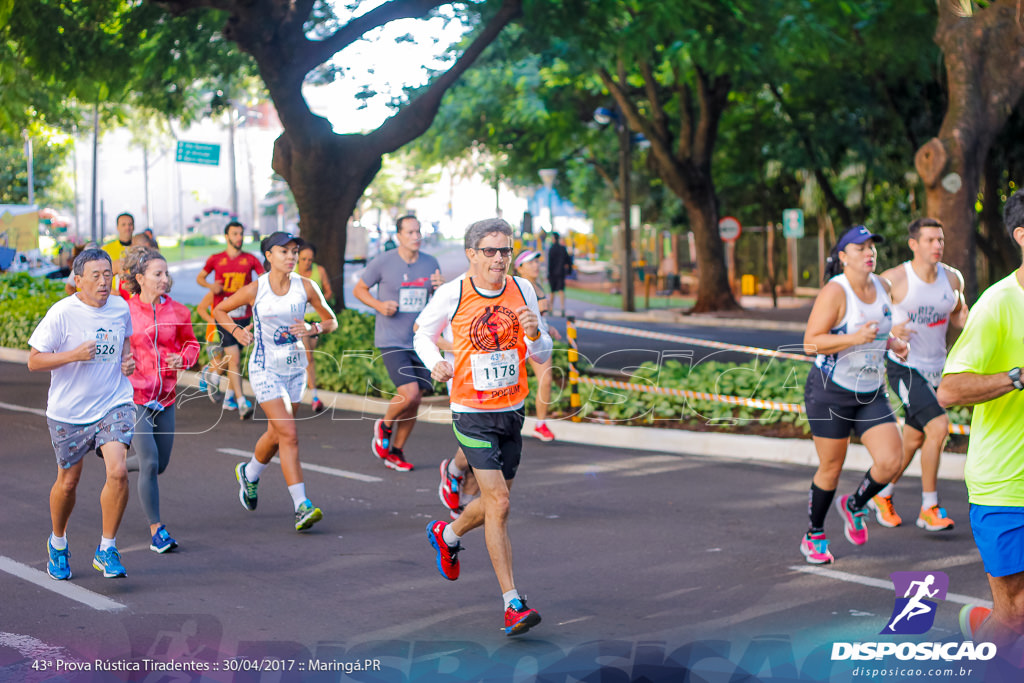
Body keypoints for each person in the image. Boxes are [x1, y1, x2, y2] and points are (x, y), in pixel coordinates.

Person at [414, 217, 553, 637]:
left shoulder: (523, 288)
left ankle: (449, 533)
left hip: (512, 408)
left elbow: (542, 348)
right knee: (501, 503)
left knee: (497, 502)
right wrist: (433, 361)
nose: (499, 259)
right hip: (471, 410)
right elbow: (422, 333)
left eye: (505, 250)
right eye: (490, 251)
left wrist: (534, 335)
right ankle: (513, 603)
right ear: (471, 254)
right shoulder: (452, 292)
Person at [938, 189, 1024, 655]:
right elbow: (950, 390)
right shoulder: (997, 305)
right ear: (1022, 236)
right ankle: (980, 653)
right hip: (1007, 486)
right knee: (1015, 614)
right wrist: (1017, 377)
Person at [213, 232, 338, 532]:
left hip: (295, 370)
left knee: (276, 432)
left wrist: (312, 326)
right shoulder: (257, 289)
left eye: (295, 251)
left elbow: (331, 320)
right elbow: (220, 310)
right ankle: (301, 506)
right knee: (289, 434)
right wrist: (238, 331)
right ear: (269, 256)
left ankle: (250, 473)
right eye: (284, 251)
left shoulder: (306, 286)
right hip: (264, 369)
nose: (292, 257)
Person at [799, 225, 908, 565]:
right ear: (843, 257)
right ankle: (814, 534)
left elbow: (877, 332)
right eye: (860, 248)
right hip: (831, 391)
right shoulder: (836, 291)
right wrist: (853, 339)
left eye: (872, 246)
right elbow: (810, 342)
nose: (868, 252)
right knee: (832, 466)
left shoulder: (884, 286)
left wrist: (893, 343)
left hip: (871, 391)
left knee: (891, 461)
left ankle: (855, 504)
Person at [27, 247, 137, 580]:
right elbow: (34, 360)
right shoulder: (62, 313)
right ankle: (58, 542)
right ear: (78, 281)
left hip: (113, 402)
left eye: (109, 275)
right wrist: (72, 355)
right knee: (68, 482)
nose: (105, 282)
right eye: (96, 276)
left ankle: (107, 548)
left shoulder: (120, 307)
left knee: (118, 471)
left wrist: (127, 362)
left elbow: (126, 345)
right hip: (69, 412)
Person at [870, 218, 968, 531]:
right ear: (914, 244)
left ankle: (879, 493)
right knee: (938, 427)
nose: (937, 245)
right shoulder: (894, 279)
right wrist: (889, 328)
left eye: (940, 240)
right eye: (929, 240)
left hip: (938, 368)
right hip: (904, 367)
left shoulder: (952, 279)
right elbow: (867, 315)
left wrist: (974, 322)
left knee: (912, 441)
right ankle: (929, 507)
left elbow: (958, 315)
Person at [123, 247, 200, 553]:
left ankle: (116, 461)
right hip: (135, 396)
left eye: (166, 273)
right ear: (140, 278)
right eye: (158, 274)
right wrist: (122, 364)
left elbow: (192, 345)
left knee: (160, 464)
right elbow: (115, 346)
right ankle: (157, 531)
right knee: (151, 463)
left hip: (166, 397)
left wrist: (182, 358)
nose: (165, 279)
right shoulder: (124, 311)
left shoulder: (179, 311)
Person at [354, 215, 444, 472]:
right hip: (391, 338)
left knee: (416, 400)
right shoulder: (383, 261)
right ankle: (384, 424)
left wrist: (441, 288)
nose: (416, 236)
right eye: (410, 232)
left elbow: (438, 301)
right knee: (410, 392)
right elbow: (360, 290)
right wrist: (380, 305)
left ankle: (396, 450)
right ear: (398, 235)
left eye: (418, 231)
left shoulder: (431, 263)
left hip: (422, 339)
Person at [196, 220, 264, 418]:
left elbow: (264, 279)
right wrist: (211, 287)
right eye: (235, 234)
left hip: (245, 316)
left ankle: (225, 392)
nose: (239, 237)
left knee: (235, 359)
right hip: (224, 316)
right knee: (235, 359)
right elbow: (200, 278)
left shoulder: (250, 259)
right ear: (227, 236)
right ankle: (242, 402)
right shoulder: (216, 259)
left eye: (241, 234)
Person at [514, 249, 563, 442]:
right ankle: (507, 418)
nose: (536, 265)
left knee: (546, 378)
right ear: (520, 267)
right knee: (512, 381)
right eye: (530, 263)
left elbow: (539, 317)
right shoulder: (518, 286)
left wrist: (548, 327)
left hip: (538, 338)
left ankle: (540, 424)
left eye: (537, 262)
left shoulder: (538, 285)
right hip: (519, 339)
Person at [295, 242, 334, 413]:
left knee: (308, 358)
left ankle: (305, 389)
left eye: (310, 259)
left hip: (315, 324)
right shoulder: (292, 273)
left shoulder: (320, 271)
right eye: (303, 259)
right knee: (308, 357)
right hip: (297, 323)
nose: (307, 262)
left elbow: (329, 291)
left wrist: (316, 301)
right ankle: (314, 396)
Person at [102, 212, 135, 295]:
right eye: (123, 225)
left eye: (130, 224)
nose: (127, 227)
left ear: (133, 227)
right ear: (117, 227)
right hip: (113, 297)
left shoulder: (140, 248)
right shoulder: (106, 250)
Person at [546, 232, 571, 317]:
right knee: (561, 290)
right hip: (561, 273)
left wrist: (549, 274)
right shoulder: (563, 249)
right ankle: (562, 308)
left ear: (553, 238)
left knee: (552, 291)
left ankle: (551, 309)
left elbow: (550, 263)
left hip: (553, 273)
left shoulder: (551, 249)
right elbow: (569, 261)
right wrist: (569, 271)